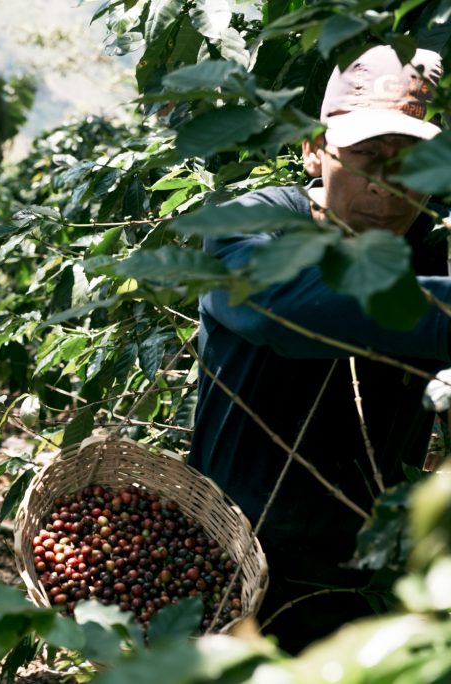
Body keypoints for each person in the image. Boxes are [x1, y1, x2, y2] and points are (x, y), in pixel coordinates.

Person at [188, 44, 451, 654]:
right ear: (313, 147)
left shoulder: (434, 244)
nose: (387, 189)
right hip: (231, 560)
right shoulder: (246, 225)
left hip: (368, 576)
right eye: (365, 157)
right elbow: (287, 310)